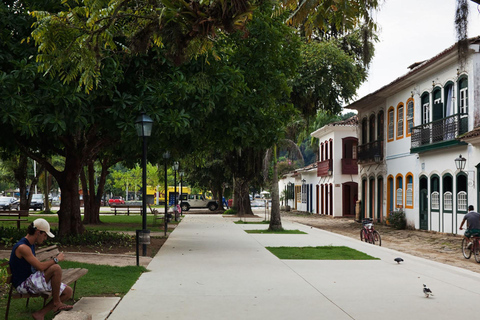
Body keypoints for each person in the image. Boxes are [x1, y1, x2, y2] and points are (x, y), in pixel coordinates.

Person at [9, 218, 73, 320]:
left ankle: (40, 314)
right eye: (45, 235)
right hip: (23, 284)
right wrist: (56, 259)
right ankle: (57, 303)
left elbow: (37, 266)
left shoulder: (31, 245)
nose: (45, 238)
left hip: (32, 280)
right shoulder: (23, 247)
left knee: (68, 292)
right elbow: (39, 266)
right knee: (56, 268)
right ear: (38, 232)